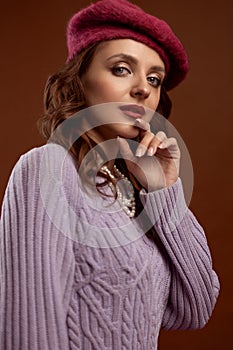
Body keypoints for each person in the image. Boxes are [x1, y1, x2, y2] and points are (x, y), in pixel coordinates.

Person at [0, 0, 220, 349]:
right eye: (121, 69)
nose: (143, 89)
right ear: (80, 79)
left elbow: (195, 309)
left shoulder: (129, 193)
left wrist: (164, 189)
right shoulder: (48, 170)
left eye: (154, 79)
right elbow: (30, 334)